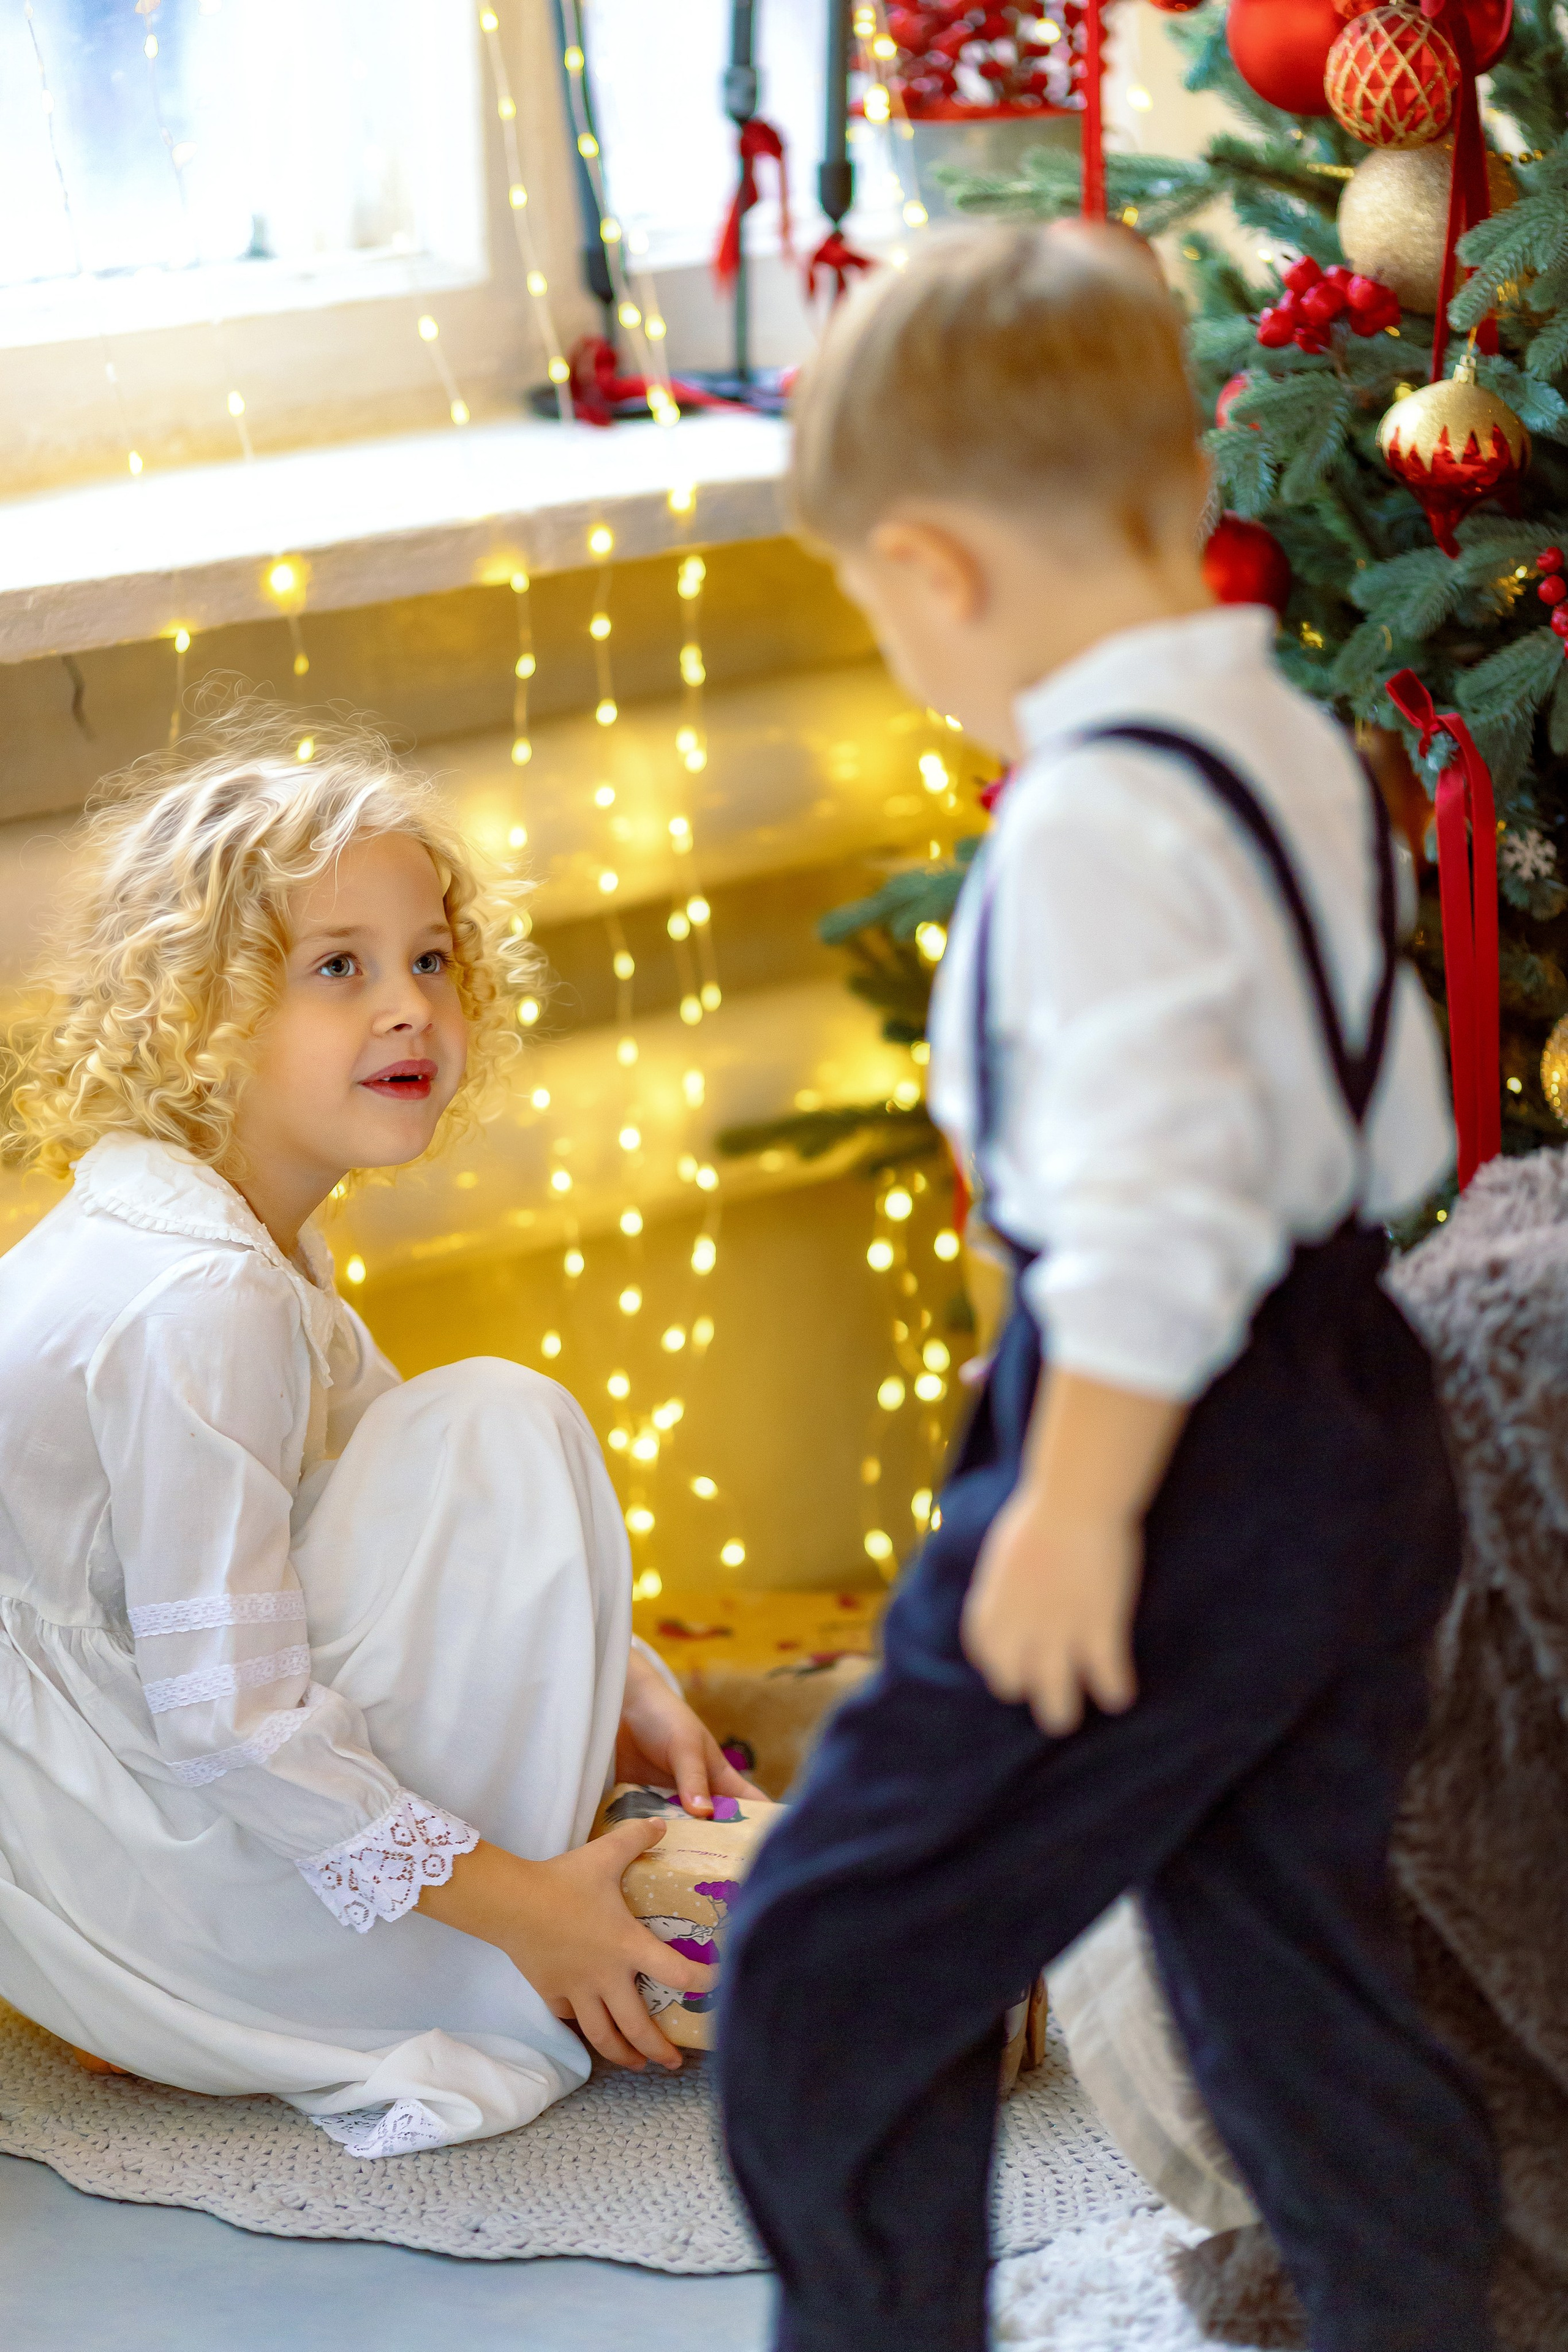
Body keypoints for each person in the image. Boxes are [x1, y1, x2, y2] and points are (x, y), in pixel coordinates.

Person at [717, 223, 1501, 2350]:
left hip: (1169, 1460)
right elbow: (1394, 1126)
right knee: (1282, 1971)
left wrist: (1074, 1504)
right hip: (1355, 1421)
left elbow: (1156, 1218)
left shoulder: (1086, 821)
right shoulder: (1294, 747)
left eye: (880, 605)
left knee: (832, 1954)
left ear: (944, 570)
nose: (902, 651)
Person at [0, 704, 756, 2156]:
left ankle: (507, 1862)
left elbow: (364, 1479)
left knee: (458, 1429)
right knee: (501, 1423)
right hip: (137, 1874)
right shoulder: (196, 1296)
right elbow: (229, 1720)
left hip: (116, 1802)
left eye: (428, 960)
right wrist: (521, 1905)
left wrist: (627, 1675)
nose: (408, 1005)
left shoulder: (220, 1225)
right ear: (196, 1018)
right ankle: (505, 1916)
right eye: (335, 970)